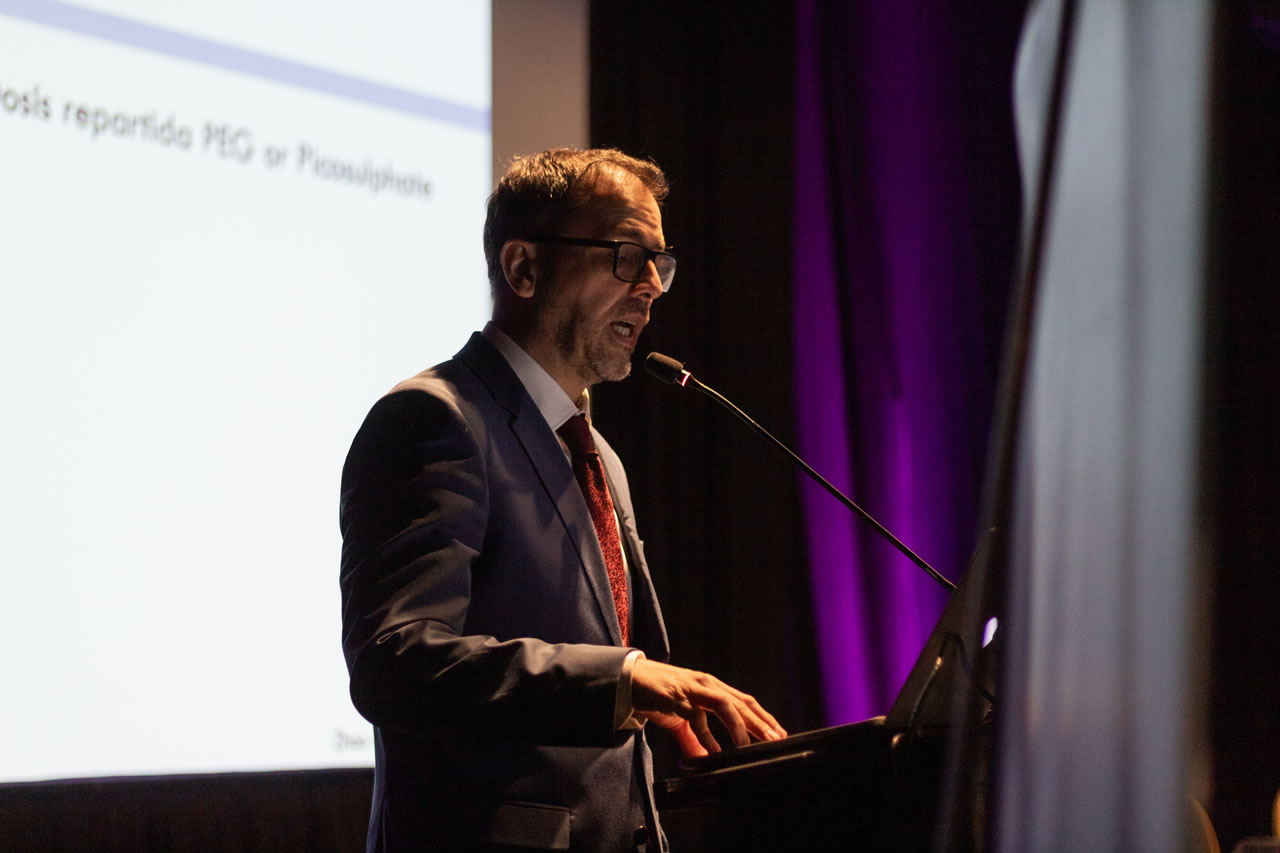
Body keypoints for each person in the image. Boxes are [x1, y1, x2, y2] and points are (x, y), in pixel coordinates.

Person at [339, 148, 786, 852]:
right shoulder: (435, 419)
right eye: (626, 256)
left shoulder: (598, 454)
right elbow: (395, 662)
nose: (652, 287)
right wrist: (625, 679)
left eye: (659, 264)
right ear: (523, 267)